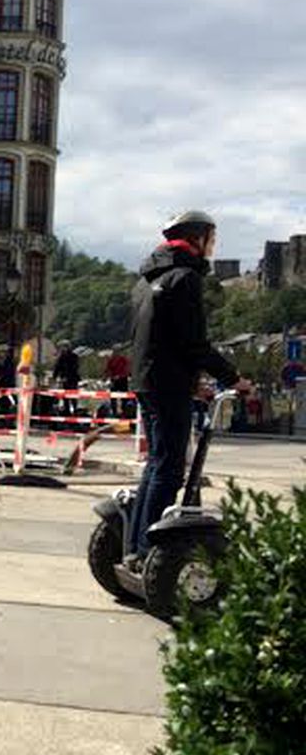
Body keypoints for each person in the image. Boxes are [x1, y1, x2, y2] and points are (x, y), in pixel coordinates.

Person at [127, 209, 246, 568]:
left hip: (147, 381)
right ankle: (151, 555)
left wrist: (193, 383)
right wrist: (233, 377)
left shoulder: (146, 281)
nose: (214, 246)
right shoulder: (185, 279)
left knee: (156, 464)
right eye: (212, 238)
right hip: (167, 386)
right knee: (169, 469)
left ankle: (135, 547)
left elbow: (158, 339)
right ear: (198, 238)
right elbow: (193, 342)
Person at [54, 341, 81, 416]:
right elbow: (57, 367)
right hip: (66, 379)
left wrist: (64, 376)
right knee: (65, 396)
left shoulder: (73, 356)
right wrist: (55, 376)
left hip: (72, 379)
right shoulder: (61, 357)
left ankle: (74, 411)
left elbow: (75, 367)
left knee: (73, 396)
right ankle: (67, 411)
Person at [105, 349, 131, 418]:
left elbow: (126, 369)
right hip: (114, 380)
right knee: (113, 397)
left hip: (122, 379)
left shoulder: (123, 360)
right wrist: (111, 377)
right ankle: (114, 412)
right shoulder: (111, 360)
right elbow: (108, 370)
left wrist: (120, 376)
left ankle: (124, 412)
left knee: (124, 397)